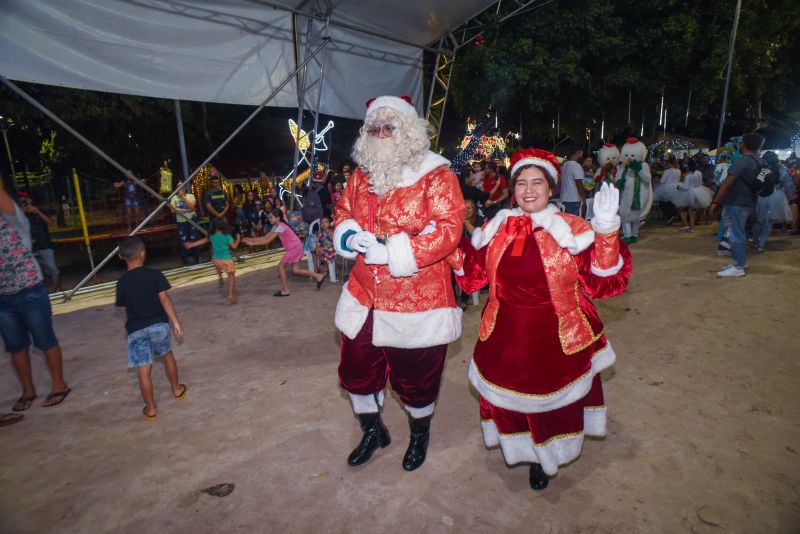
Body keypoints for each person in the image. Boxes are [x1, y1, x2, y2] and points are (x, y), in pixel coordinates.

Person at [456, 148, 631, 490]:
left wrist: (607, 230)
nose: (529, 189)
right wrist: (448, 241)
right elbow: (473, 275)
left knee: (551, 403)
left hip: (555, 334)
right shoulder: (497, 226)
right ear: (512, 189)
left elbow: (604, 281)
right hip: (505, 331)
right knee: (510, 399)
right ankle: (520, 448)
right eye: (521, 182)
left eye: (538, 182)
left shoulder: (573, 228)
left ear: (552, 189)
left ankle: (545, 458)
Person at [332, 94, 465, 472]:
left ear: (406, 130)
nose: (379, 134)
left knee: (416, 377)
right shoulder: (362, 175)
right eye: (372, 128)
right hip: (364, 293)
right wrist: (349, 234)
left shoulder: (436, 175)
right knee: (356, 371)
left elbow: (448, 231)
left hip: (416, 299)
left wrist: (393, 252)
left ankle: (419, 435)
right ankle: (373, 431)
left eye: (387, 127)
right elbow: (342, 211)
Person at [0, 187, 70, 412]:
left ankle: (59, 384)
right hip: (3, 297)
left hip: (30, 289)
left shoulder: (14, 221)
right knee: (16, 346)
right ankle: (27, 390)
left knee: (45, 339)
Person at [115, 236, 187, 420]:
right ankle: (177, 389)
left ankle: (151, 408)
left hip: (136, 328)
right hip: (158, 325)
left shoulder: (121, 283)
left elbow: (123, 307)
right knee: (167, 356)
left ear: (121, 256)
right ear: (142, 253)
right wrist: (176, 323)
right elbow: (165, 300)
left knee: (143, 369)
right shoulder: (155, 274)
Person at [711, 133, 765, 277]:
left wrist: (715, 202)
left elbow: (726, 184)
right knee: (736, 232)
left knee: (736, 234)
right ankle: (738, 262)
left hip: (737, 203)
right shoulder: (760, 161)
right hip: (748, 202)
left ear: (743, 144)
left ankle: (739, 267)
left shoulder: (743, 161)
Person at [242, 208, 326, 296]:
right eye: (269, 217)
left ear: (278, 218)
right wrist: (249, 239)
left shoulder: (280, 227)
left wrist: (251, 243)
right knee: (295, 270)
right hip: (295, 247)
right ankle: (318, 276)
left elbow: (266, 241)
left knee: (280, 267)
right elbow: (264, 238)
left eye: (271, 217)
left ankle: (285, 290)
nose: (269, 219)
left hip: (294, 248)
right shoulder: (277, 226)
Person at [185, 218, 241, 304]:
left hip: (215, 260)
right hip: (226, 260)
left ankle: (220, 275)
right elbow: (234, 247)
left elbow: (202, 241)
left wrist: (191, 245)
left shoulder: (212, 236)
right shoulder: (227, 236)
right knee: (231, 277)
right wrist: (238, 239)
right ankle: (231, 296)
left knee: (219, 267)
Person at [752, 151, 793, 251]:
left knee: (758, 220)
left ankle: (756, 241)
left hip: (761, 196)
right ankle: (761, 244)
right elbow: (788, 185)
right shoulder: (782, 169)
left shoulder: (763, 170)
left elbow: (756, 184)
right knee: (769, 221)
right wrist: (788, 195)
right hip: (776, 195)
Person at [614, 137, 653, 243]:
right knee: (625, 214)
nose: (629, 158)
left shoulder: (644, 165)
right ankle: (627, 235)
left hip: (639, 194)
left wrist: (638, 169)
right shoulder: (622, 166)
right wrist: (618, 182)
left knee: (636, 216)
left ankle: (634, 234)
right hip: (625, 195)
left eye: (632, 155)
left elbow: (647, 179)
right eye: (627, 155)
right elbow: (617, 176)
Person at [19, 193, 60, 291]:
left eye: (25, 201)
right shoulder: (20, 214)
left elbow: (51, 223)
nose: (24, 204)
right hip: (30, 246)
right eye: (21, 201)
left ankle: (57, 289)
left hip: (44, 243)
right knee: (36, 272)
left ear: (30, 200)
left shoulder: (39, 210)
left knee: (52, 269)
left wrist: (38, 212)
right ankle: (44, 291)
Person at [170, 185, 201, 265]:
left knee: (195, 240)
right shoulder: (174, 198)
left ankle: (197, 261)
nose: (180, 189)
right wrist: (187, 209)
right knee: (183, 242)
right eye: (178, 188)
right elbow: (173, 210)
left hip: (192, 221)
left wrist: (183, 198)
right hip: (181, 222)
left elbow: (192, 206)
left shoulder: (190, 196)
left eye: (182, 187)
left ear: (185, 188)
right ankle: (185, 263)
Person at [559, 146, 585, 216]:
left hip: (564, 199)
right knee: (574, 224)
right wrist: (584, 199)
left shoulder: (564, 165)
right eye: (581, 154)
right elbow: (579, 183)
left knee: (566, 223)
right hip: (574, 200)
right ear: (577, 153)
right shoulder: (576, 166)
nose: (581, 156)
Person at [654, 157, 680, 224]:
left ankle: (671, 215)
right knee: (672, 203)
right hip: (675, 188)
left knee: (662, 203)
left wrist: (658, 180)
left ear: (670, 163)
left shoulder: (667, 171)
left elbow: (662, 181)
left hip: (666, 188)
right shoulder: (678, 171)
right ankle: (672, 216)